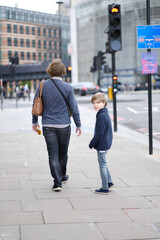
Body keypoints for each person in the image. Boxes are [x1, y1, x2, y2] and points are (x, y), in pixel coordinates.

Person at [32, 59, 82, 192]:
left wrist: (34, 121)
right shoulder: (68, 87)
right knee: (63, 154)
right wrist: (78, 124)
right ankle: (62, 175)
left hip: (48, 125)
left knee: (52, 154)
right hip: (65, 125)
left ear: (50, 71)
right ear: (63, 72)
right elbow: (74, 107)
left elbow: (35, 104)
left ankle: (57, 182)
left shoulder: (42, 85)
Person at [89, 92, 114, 194]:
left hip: (102, 143)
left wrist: (92, 143)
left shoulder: (101, 116)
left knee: (102, 164)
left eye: (98, 102)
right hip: (106, 142)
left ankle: (104, 188)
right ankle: (109, 182)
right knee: (104, 162)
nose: (95, 105)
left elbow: (99, 133)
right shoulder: (104, 113)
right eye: (94, 103)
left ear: (104, 103)